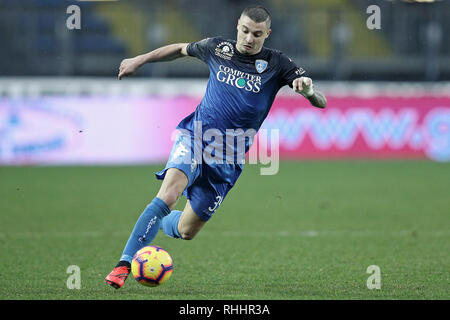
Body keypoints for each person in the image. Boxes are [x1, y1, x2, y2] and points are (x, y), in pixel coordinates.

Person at [105, 5, 327, 289]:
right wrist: (141, 59)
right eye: (245, 31)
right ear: (238, 25)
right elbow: (179, 49)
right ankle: (123, 264)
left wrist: (307, 90)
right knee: (170, 193)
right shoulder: (217, 48)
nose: (249, 38)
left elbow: (321, 101)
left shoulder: (278, 63)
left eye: (257, 34)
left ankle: (155, 219)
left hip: (228, 159)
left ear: (267, 34)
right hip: (195, 138)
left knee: (186, 231)